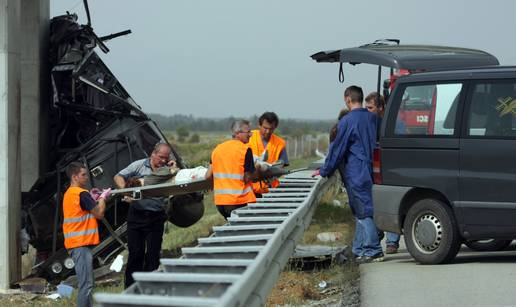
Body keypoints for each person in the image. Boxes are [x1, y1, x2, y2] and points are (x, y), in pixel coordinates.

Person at [313, 85, 383, 263]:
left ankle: (374, 249)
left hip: (356, 170)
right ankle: (359, 249)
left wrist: (324, 170)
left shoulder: (347, 121)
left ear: (347, 99)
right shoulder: (374, 119)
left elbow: (337, 150)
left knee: (363, 211)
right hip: (373, 169)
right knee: (366, 208)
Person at [113, 143, 175, 288]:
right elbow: (118, 176)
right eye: (161, 157)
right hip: (137, 216)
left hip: (156, 217)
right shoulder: (139, 165)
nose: (163, 161)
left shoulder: (167, 169)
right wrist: (126, 192)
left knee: (153, 255)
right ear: (153, 153)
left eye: (166, 158)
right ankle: (130, 290)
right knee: (136, 254)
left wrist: (173, 167)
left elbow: (180, 177)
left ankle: (150, 289)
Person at [62, 161, 109, 307]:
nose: (87, 177)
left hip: (76, 244)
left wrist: (92, 199)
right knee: (86, 285)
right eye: (83, 175)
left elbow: (83, 210)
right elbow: (99, 214)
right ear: (75, 177)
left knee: (87, 283)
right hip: (80, 245)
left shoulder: (70, 193)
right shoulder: (81, 194)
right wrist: (102, 198)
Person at [365, 92, 400, 254]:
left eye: (370, 107)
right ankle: (378, 234)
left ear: (380, 107)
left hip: (390, 169)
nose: (367, 111)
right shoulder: (370, 123)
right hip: (374, 170)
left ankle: (392, 241)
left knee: (391, 204)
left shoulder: (394, 124)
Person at [205, 120, 257, 219]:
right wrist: (257, 170)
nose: (250, 134)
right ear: (237, 133)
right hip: (239, 202)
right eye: (248, 132)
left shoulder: (217, 149)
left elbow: (208, 176)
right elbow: (247, 178)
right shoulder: (245, 150)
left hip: (221, 203)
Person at [248, 112, 288, 197]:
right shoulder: (248, 137)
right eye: (265, 128)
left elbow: (282, 165)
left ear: (275, 127)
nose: (268, 131)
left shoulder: (280, 143)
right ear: (259, 125)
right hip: (249, 189)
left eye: (271, 129)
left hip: (270, 189)